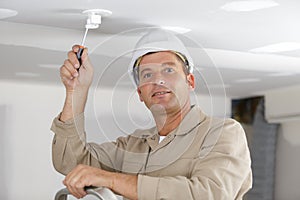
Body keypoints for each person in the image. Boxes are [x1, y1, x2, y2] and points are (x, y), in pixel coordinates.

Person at [51, 29, 252, 200]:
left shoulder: (222, 133)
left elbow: (207, 194)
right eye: (147, 74)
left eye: (168, 70)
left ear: (190, 82)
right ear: (140, 93)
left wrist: (111, 179)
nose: (158, 80)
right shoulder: (135, 145)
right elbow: (71, 162)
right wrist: (76, 92)